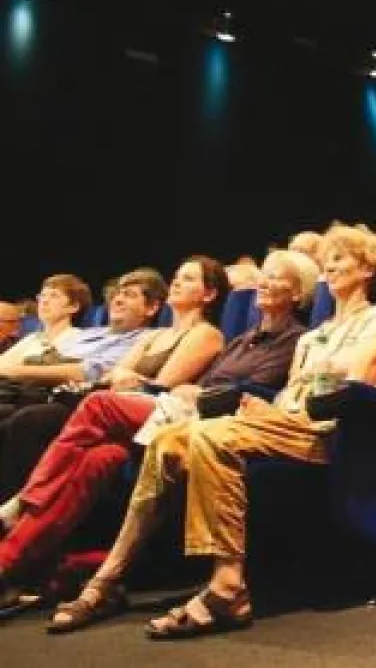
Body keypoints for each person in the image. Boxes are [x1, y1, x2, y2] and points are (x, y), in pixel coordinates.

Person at [48, 227, 376, 637]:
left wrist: (295, 394)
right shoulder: (316, 334)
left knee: (210, 435)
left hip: (325, 432)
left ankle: (227, 586)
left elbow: (354, 383)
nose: (331, 266)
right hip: (284, 421)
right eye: (329, 260)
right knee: (166, 440)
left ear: (368, 268)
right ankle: (108, 578)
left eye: (341, 258)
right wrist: (266, 406)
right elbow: (291, 392)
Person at [0, 252, 316, 616]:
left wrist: (195, 393)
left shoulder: (292, 340)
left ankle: (24, 504)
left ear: (298, 292)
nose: (264, 281)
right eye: (265, 274)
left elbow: (247, 393)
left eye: (276, 277)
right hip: (170, 412)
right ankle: (15, 565)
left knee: (96, 406)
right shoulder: (241, 340)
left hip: (205, 416)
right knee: (99, 459)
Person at [0, 258, 229, 508]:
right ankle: (24, 504)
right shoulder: (156, 335)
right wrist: (121, 377)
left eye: (188, 278)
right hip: (109, 399)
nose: (176, 281)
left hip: (142, 412)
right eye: (176, 276)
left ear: (209, 294)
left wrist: (125, 378)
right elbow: (116, 373)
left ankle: (25, 501)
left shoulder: (206, 334)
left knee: (32, 420)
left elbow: (159, 386)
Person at [0, 269, 166, 429]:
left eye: (129, 295)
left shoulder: (142, 340)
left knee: (24, 418)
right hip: (25, 387)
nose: (117, 300)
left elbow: (89, 373)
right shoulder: (87, 334)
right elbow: (44, 357)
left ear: (151, 308)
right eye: (118, 294)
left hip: (62, 397)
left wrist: (14, 371)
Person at [0, 275, 92, 373]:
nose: (44, 301)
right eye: (42, 295)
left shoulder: (81, 339)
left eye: (54, 296)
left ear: (74, 307)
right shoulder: (32, 338)